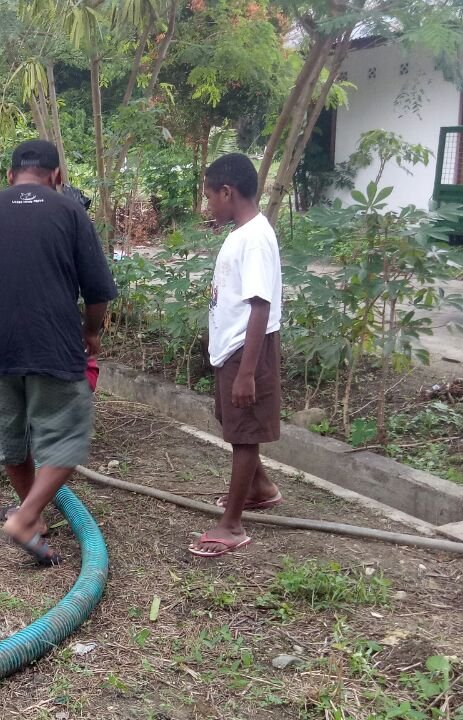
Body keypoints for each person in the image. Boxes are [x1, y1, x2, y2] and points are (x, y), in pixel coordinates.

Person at [0, 140, 118, 566]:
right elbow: (97, 291)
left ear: (9, 176)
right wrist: (91, 333)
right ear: (57, 176)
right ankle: (25, 517)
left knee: (14, 442)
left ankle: (32, 518)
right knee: (68, 438)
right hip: (53, 344)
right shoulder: (70, 212)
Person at [190, 153, 284, 558]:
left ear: (228, 192)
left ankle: (231, 525)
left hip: (248, 350)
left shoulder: (257, 238)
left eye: (210, 196)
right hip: (231, 347)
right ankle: (260, 489)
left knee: (244, 435)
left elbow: (260, 307)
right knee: (230, 419)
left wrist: (247, 373)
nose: (209, 205)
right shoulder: (241, 232)